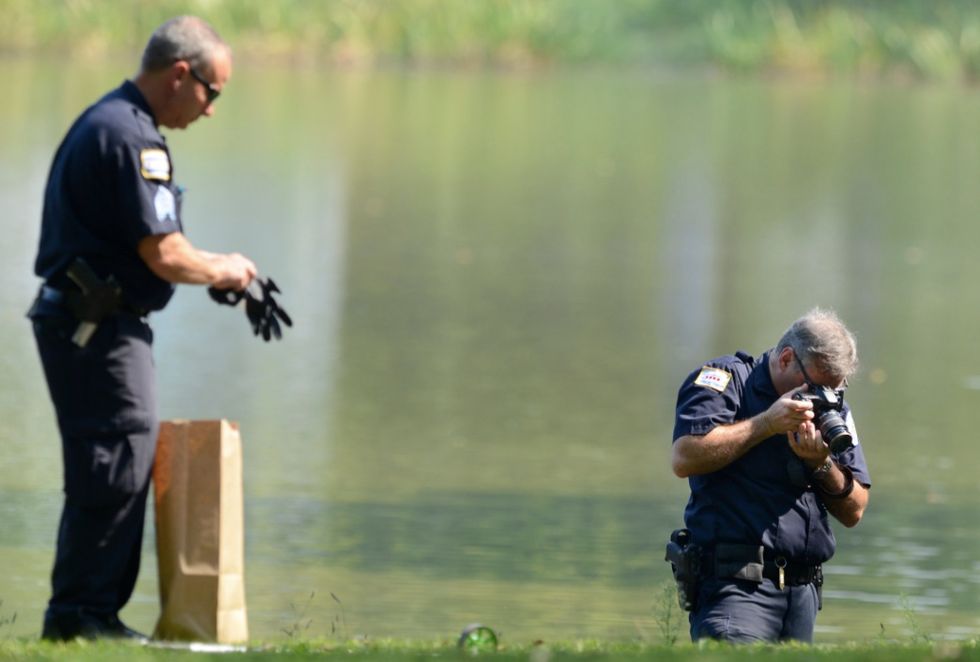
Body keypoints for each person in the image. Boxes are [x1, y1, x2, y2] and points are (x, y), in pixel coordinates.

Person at [28, 16, 258, 641]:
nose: (211, 110)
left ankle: (88, 614)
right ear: (180, 74)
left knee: (118, 457)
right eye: (213, 92)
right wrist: (225, 267)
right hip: (93, 327)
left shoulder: (111, 122)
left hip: (90, 320)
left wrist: (210, 276)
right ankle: (81, 618)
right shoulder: (130, 138)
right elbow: (166, 254)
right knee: (115, 460)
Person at [670, 308, 870, 643]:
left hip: (802, 594)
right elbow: (684, 457)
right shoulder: (726, 381)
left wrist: (820, 463)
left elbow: (855, 509)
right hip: (735, 589)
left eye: (836, 390)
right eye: (818, 387)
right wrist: (766, 424)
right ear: (787, 358)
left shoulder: (832, 409)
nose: (824, 399)